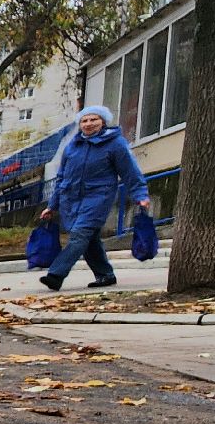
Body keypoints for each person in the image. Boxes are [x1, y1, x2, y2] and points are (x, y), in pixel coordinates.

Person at [38, 105, 149, 291]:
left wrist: (141, 195)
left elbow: (130, 172)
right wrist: (52, 205)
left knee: (80, 234)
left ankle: (56, 275)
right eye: (84, 120)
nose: (88, 124)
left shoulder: (115, 144)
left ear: (103, 122)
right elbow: (61, 178)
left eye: (93, 120)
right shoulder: (72, 146)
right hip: (70, 199)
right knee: (89, 238)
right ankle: (105, 274)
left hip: (98, 197)